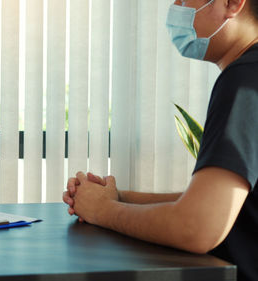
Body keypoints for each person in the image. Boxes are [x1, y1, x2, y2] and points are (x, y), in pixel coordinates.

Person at [63, 0, 257, 280]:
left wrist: (102, 209)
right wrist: (120, 198)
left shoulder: (244, 81)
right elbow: (225, 205)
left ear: (232, 3)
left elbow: (197, 226)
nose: (175, 6)